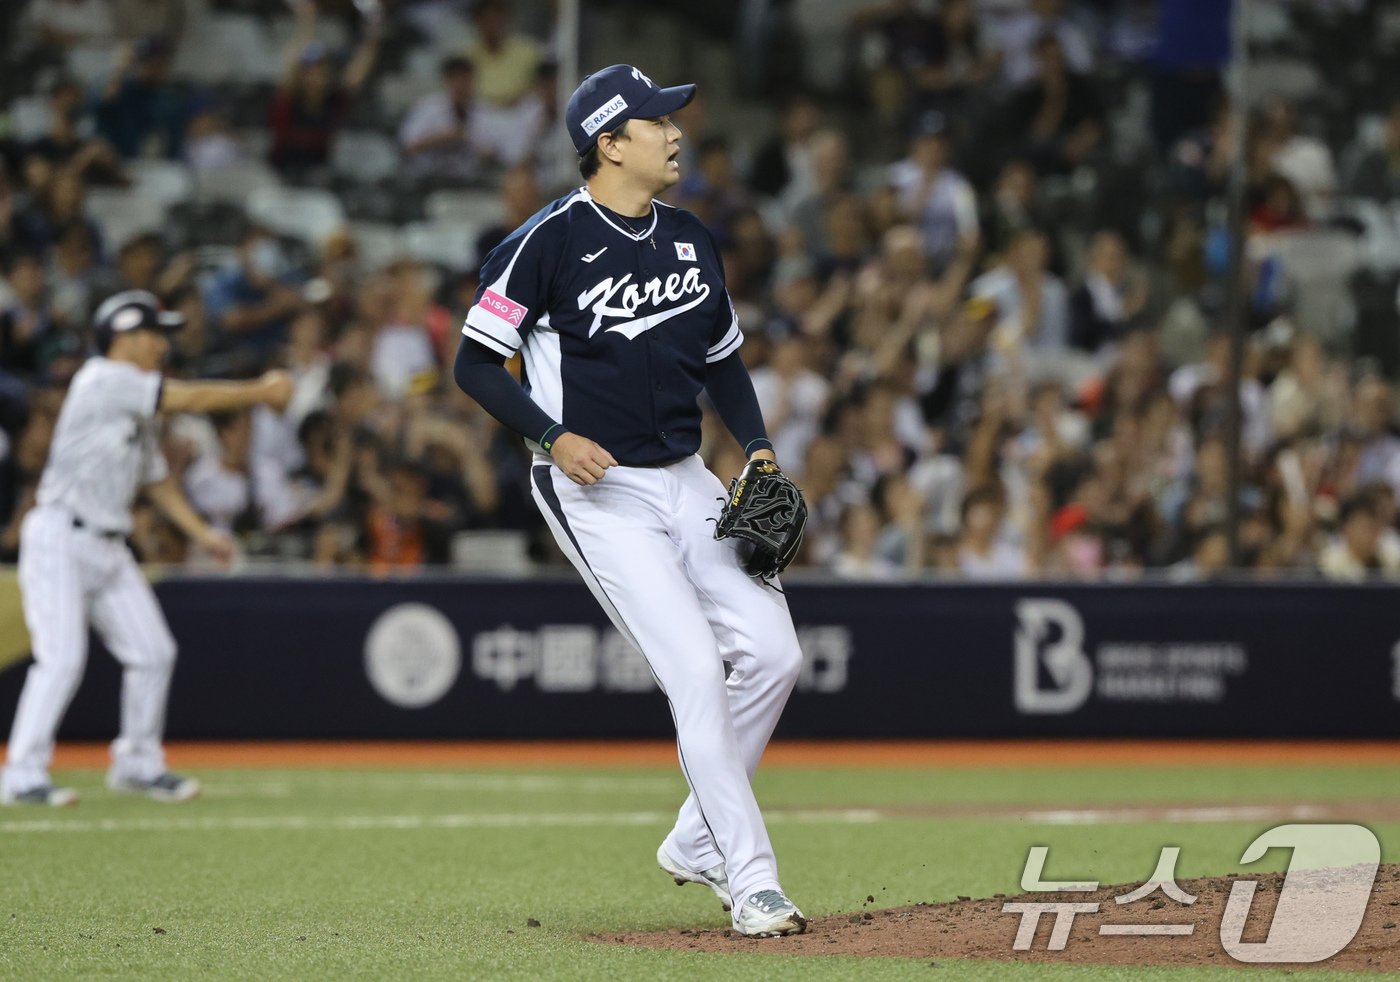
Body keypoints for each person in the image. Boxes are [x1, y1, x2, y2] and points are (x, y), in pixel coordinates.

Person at [453, 64, 808, 938]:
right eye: (655, 121)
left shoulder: (692, 238)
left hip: (687, 477)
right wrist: (549, 435)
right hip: (597, 489)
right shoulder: (547, 241)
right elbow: (472, 363)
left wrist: (756, 446)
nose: (675, 131)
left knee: (774, 655)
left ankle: (695, 841)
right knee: (691, 669)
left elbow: (722, 360)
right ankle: (751, 876)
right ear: (609, 143)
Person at [1, 290, 293, 806]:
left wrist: (202, 533)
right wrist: (261, 390)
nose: (163, 343)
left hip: (108, 544)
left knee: (154, 651)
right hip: (61, 537)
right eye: (155, 333)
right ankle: (21, 775)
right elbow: (191, 398)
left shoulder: (132, 406)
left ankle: (137, 762)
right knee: (61, 660)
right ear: (126, 336)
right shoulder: (103, 379)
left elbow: (156, 481)